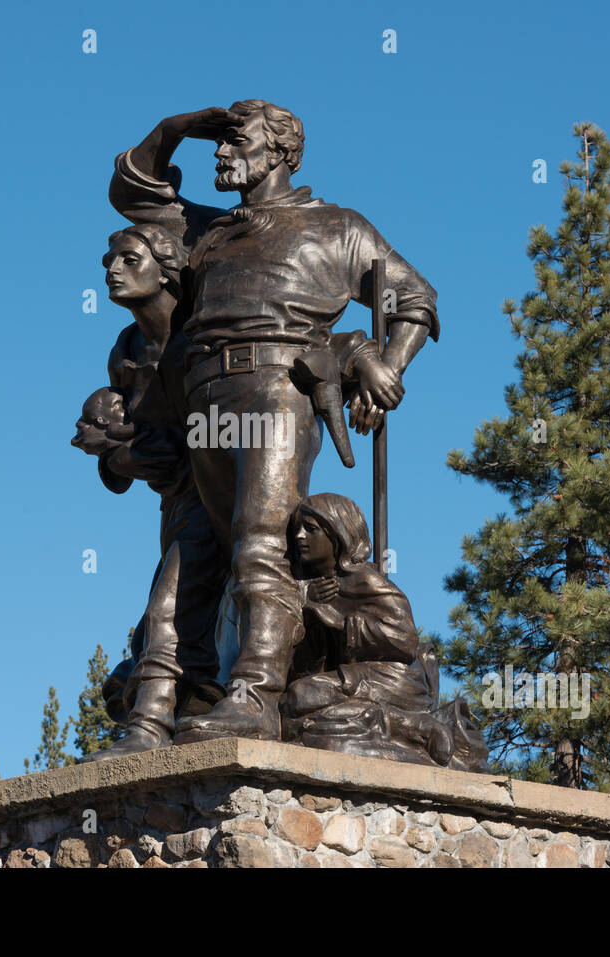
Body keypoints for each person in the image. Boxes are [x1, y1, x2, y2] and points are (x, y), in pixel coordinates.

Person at [108, 100, 439, 742]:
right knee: (198, 549)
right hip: (202, 395)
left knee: (263, 542)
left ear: (280, 151)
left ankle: (256, 697)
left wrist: (388, 368)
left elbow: (415, 298)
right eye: (220, 144)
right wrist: (177, 127)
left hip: (277, 386)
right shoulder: (207, 230)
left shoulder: (339, 227)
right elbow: (133, 193)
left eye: (238, 142)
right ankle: (165, 706)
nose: (222, 154)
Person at [71, 224, 228, 760]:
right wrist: (113, 449)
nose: (113, 270)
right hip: (176, 500)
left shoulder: (203, 334)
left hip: (223, 489)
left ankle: (148, 727)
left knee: (170, 608)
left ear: (166, 270)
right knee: (180, 618)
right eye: (108, 262)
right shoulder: (125, 352)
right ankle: (196, 711)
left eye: (128, 259)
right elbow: (122, 459)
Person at [281, 493, 454, 767]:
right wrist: (309, 607)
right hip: (350, 677)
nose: (300, 536)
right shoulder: (313, 587)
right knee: (296, 698)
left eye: (310, 529)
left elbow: (405, 639)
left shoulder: (363, 579)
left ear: (337, 533)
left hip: (391, 678)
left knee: (301, 697)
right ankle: (380, 722)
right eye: (297, 530)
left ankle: (412, 726)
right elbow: (307, 663)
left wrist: (341, 624)